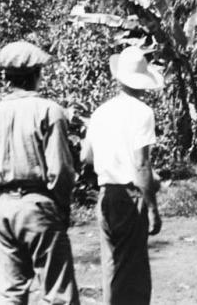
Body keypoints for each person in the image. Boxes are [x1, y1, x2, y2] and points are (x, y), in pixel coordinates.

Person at [0, 41, 80, 304]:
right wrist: (61, 209)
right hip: (39, 205)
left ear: (6, 78)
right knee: (58, 293)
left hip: (4, 207)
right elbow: (60, 170)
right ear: (36, 75)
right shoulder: (48, 110)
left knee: (10, 292)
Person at [80, 46, 163, 305]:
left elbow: (85, 157)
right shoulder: (142, 113)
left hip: (106, 194)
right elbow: (141, 165)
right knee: (134, 270)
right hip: (130, 195)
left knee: (112, 265)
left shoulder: (101, 112)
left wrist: (111, 158)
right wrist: (152, 208)